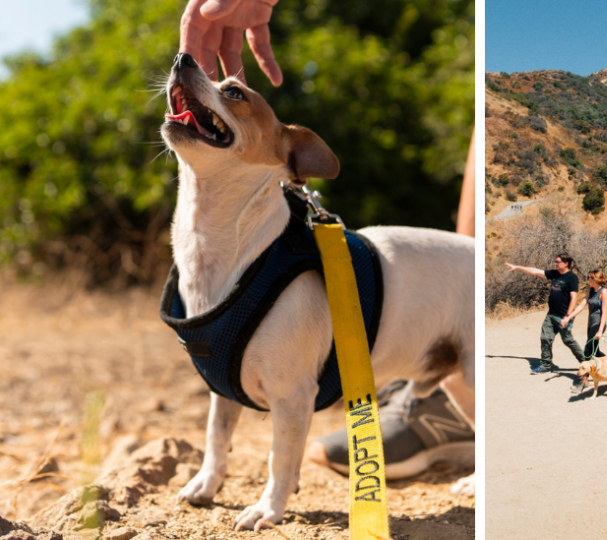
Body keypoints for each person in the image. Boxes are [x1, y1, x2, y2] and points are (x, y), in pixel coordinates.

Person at [176, 0, 478, 483]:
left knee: (476, 384)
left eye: (232, 94)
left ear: (286, 152)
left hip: (457, 284)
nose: (192, 73)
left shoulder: (282, 266)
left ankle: (455, 434)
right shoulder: (221, 269)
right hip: (441, 272)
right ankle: (214, 467)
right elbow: (225, 358)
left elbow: (292, 397)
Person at [505, 255, 587, 373]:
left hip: (564, 316)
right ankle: (545, 365)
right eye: (555, 262)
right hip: (551, 314)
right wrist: (517, 267)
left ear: (566, 263)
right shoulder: (554, 273)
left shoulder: (572, 278)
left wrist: (568, 316)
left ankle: (587, 362)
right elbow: (535, 271)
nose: (555, 264)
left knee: (568, 340)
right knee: (545, 338)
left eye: (558, 262)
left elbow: (574, 297)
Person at [565, 269, 607, 359]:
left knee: (587, 350)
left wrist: (600, 331)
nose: (588, 279)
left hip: (598, 324)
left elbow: (604, 312)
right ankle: (605, 365)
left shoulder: (604, 291)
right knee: (595, 350)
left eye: (589, 277)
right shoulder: (591, 290)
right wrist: (569, 316)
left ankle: (584, 372)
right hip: (591, 323)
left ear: (595, 279)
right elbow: (582, 305)